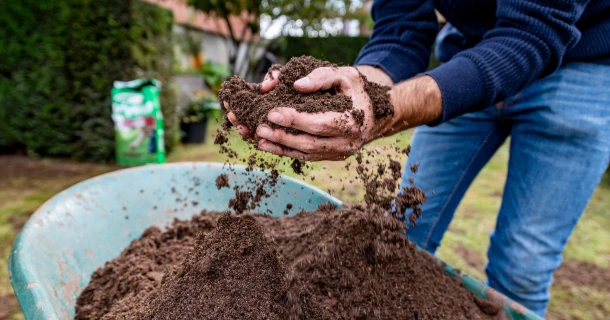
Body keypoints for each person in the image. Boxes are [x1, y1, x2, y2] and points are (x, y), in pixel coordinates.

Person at [223, 0, 610, 316]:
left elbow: (534, 32)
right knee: (400, 230)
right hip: (469, 57)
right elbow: (400, 30)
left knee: (523, 265)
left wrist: (382, 110)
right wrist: (354, 89)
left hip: (581, 64)